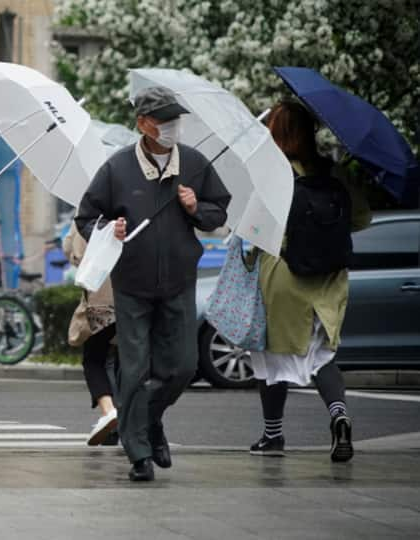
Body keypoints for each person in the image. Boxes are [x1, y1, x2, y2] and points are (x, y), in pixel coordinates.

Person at [76, 86, 230, 481]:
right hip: (132, 283)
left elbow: (217, 210)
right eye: (164, 121)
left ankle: (149, 419)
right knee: (133, 367)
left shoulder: (195, 164)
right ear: (143, 124)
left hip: (179, 280)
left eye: (175, 120)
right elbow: (87, 216)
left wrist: (197, 208)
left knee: (181, 367)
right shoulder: (117, 168)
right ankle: (139, 454)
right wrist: (112, 228)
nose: (172, 128)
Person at [247, 100, 371, 462]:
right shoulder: (333, 173)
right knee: (321, 357)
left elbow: (255, 231)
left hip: (285, 277)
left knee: (271, 358)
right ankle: (339, 415)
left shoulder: (274, 175)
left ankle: (273, 436)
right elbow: (361, 219)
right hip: (330, 280)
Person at [63, 220, 119, 447]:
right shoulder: (134, 204)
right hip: (134, 300)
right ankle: (119, 420)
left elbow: (72, 249)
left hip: (100, 300)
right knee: (122, 362)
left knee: (94, 359)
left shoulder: (87, 208)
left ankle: (109, 411)